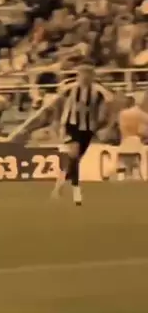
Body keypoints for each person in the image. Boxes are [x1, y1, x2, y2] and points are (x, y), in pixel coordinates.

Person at [52, 63, 112, 206]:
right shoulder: (69, 88)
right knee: (74, 155)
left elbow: (110, 102)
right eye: (82, 74)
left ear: (92, 76)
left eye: (87, 74)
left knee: (75, 159)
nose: (84, 77)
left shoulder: (98, 90)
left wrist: (104, 121)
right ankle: (76, 191)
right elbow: (57, 102)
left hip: (88, 128)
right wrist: (57, 121)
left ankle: (60, 184)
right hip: (71, 125)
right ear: (78, 76)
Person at [112, 95, 148, 180]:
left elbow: (118, 127)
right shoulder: (140, 114)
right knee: (136, 168)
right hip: (137, 144)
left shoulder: (121, 114)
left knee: (123, 168)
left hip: (124, 144)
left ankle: (121, 180)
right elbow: (142, 131)